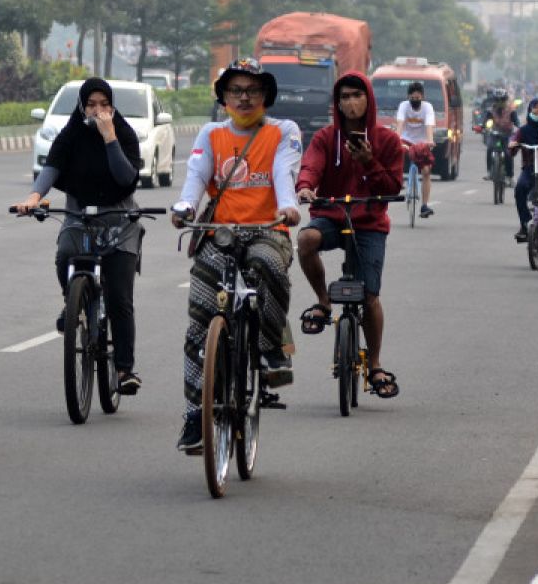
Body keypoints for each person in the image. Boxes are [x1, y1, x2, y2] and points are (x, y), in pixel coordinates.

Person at [171, 58, 301, 453]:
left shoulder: (283, 131)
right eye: (236, 91)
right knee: (199, 321)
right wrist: (185, 207)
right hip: (221, 235)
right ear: (224, 96)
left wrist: (289, 207)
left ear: (265, 96)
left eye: (252, 90)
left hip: (268, 230)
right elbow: (195, 176)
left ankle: (272, 350)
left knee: (266, 265)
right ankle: (196, 413)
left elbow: (283, 173)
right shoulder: (211, 134)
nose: (244, 98)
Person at [17, 78, 146, 395]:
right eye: (91, 104)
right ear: (82, 106)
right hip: (79, 213)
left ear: (112, 108)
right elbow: (52, 167)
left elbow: (126, 177)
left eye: (104, 105)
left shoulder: (123, 134)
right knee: (64, 254)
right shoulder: (71, 133)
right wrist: (34, 197)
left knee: (119, 298)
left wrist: (110, 138)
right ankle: (71, 301)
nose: (98, 111)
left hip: (119, 218)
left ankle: (124, 369)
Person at [295, 71, 402, 399]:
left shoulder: (387, 140)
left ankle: (375, 364)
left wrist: (369, 162)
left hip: (369, 222)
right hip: (330, 215)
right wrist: (305, 187)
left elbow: (393, 187)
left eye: (357, 95)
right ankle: (324, 303)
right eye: (344, 97)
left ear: (368, 99)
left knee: (369, 298)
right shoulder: (326, 137)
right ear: (337, 103)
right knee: (305, 240)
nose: (350, 103)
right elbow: (311, 166)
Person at [508, 97, 538, 242]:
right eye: (535, 107)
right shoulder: (524, 130)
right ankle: (525, 224)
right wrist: (513, 144)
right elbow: (514, 141)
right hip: (529, 168)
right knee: (520, 188)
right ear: (530, 110)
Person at [395, 80, 436, 218]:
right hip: (406, 139)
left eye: (417, 98)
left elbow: (429, 126)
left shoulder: (427, 108)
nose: (415, 101)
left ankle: (424, 206)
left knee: (426, 171)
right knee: (397, 151)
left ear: (422, 97)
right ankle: (398, 180)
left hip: (422, 142)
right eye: (412, 98)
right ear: (408, 98)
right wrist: (396, 139)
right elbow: (400, 124)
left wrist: (429, 141)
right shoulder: (403, 106)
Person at [484, 88, 519, 180]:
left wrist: (518, 129)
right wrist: (482, 127)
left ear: (505, 100)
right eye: (497, 100)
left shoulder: (511, 110)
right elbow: (486, 122)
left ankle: (510, 176)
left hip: (507, 135)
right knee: (490, 148)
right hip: (494, 134)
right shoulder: (490, 111)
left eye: (502, 100)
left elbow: (517, 123)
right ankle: (489, 172)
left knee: (508, 153)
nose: (499, 102)